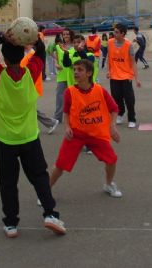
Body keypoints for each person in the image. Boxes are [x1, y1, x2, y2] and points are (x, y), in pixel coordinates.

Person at [0, 32, 66, 238]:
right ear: (22, 56)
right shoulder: (31, 72)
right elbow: (40, 50)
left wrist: (3, 36)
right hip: (29, 137)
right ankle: (50, 214)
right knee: (39, 177)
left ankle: (11, 224)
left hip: (6, 139)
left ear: (4, 57)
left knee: (8, 182)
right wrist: (28, 37)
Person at [50, 59, 122, 198]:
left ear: (89, 73)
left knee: (111, 160)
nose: (76, 72)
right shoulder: (69, 92)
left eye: (80, 70)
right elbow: (66, 112)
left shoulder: (100, 90)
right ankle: (46, 191)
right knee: (60, 165)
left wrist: (112, 126)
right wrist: (67, 127)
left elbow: (114, 109)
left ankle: (108, 184)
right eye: (74, 69)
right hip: (76, 134)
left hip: (96, 133)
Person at [107, 23, 141, 128]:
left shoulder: (128, 45)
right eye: (114, 31)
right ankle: (120, 114)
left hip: (126, 76)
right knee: (116, 98)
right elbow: (109, 58)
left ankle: (132, 118)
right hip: (114, 76)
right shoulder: (110, 42)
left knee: (129, 99)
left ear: (123, 34)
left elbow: (133, 62)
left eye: (117, 32)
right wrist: (109, 71)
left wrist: (137, 78)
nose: (114, 33)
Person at [21, 47, 59, 135]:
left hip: (30, 86)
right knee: (28, 108)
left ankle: (50, 123)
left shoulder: (32, 54)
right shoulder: (28, 53)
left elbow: (24, 69)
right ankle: (49, 123)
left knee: (28, 108)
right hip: (28, 85)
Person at [54, 29, 74, 123]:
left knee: (73, 96)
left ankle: (74, 116)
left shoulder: (75, 46)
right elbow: (56, 59)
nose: (66, 36)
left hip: (72, 75)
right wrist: (56, 64)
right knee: (59, 97)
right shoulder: (58, 47)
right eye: (64, 34)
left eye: (68, 34)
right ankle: (57, 118)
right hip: (62, 75)